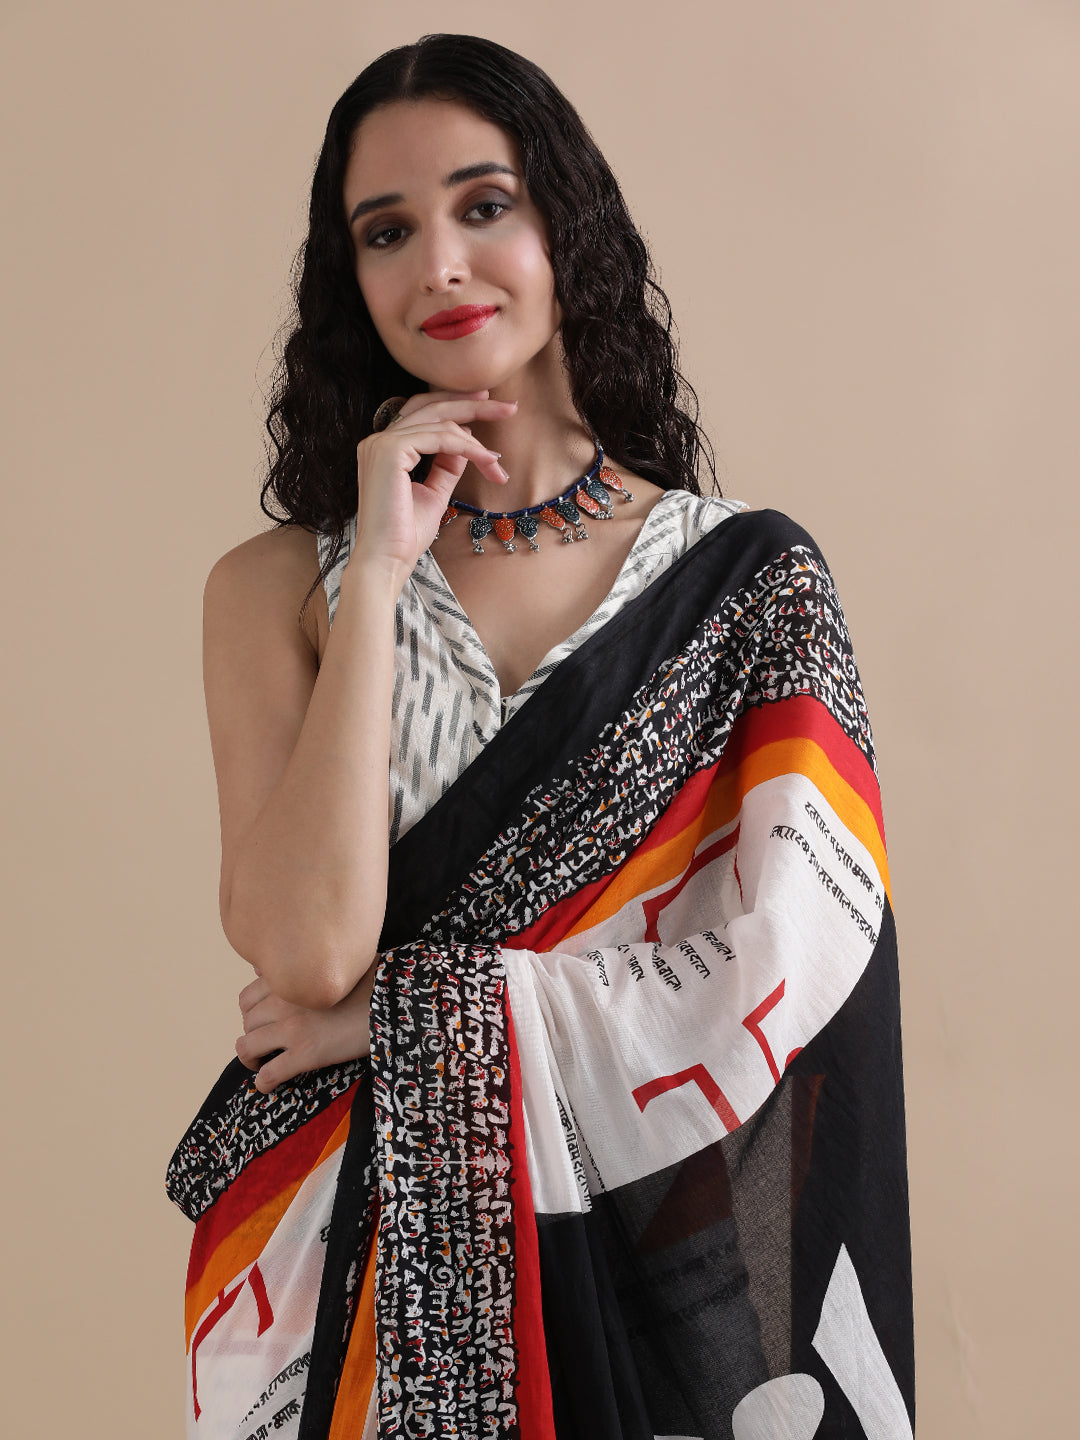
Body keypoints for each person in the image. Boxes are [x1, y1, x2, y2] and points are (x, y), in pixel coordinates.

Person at [167, 32, 915, 1440]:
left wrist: (394, 1020)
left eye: (485, 205)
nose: (440, 265)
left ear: (567, 223)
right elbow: (305, 953)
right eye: (388, 231)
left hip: (671, 1270)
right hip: (345, 1277)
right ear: (349, 279)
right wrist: (379, 571)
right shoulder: (278, 590)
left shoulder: (747, 586)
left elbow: (795, 958)